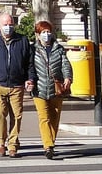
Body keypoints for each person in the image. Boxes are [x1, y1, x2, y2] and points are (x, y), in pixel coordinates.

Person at [0, 12, 34, 158]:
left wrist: (30, 79)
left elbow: (29, 62)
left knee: (16, 116)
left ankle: (13, 145)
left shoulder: (22, 40)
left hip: (17, 85)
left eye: (11, 24)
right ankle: (0, 142)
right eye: (5, 24)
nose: (8, 27)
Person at [28, 20, 72, 160]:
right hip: (39, 89)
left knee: (55, 117)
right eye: (43, 32)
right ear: (37, 34)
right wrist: (29, 81)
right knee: (44, 118)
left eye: (48, 32)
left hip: (56, 88)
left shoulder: (58, 48)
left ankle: (50, 143)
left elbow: (65, 64)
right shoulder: (32, 49)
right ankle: (48, 146)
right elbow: (29, 67)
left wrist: (68, 77)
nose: (46, 35)